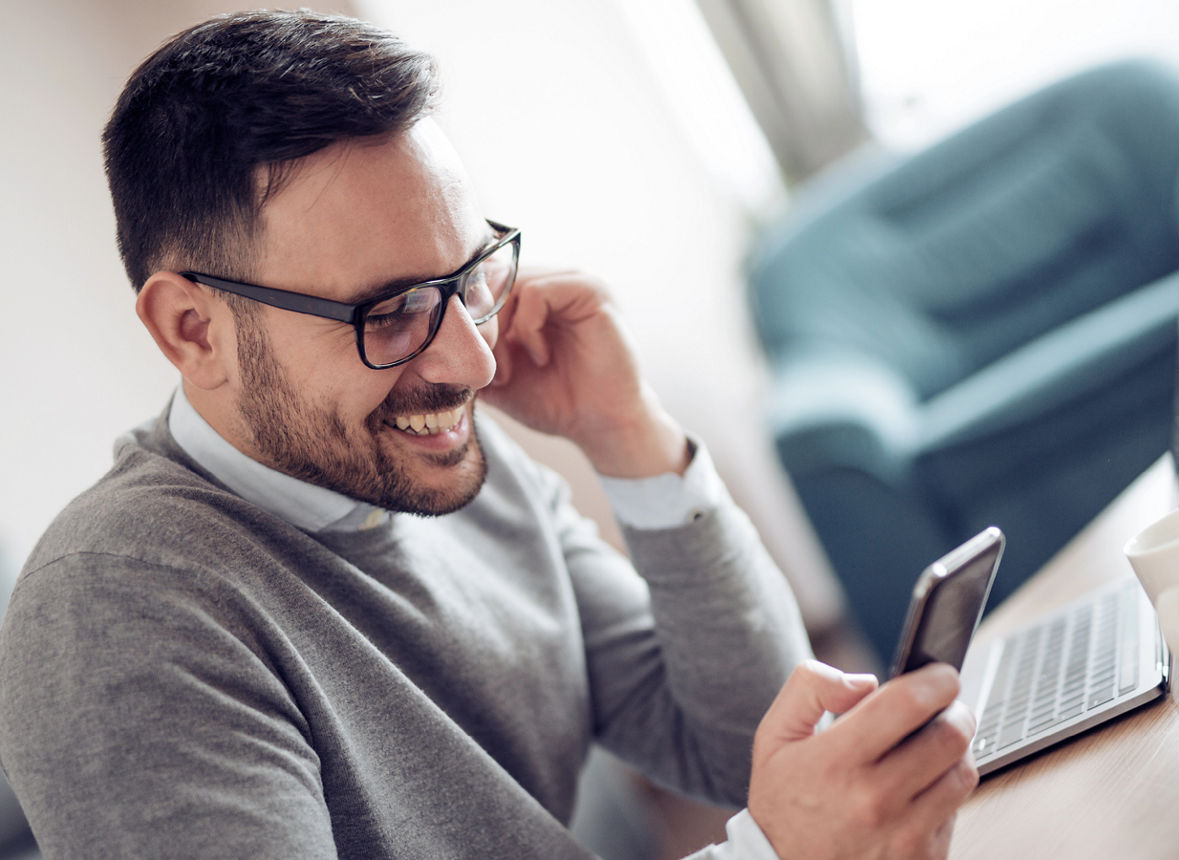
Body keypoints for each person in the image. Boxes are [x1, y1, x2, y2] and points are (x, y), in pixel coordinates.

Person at [0, 10, 977, 859]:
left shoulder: (440, 461)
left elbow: (745, 742)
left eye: (471, 276)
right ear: (193, 329)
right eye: (389, 309)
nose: (472, 359)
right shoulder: (115, 611)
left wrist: (630, 439)